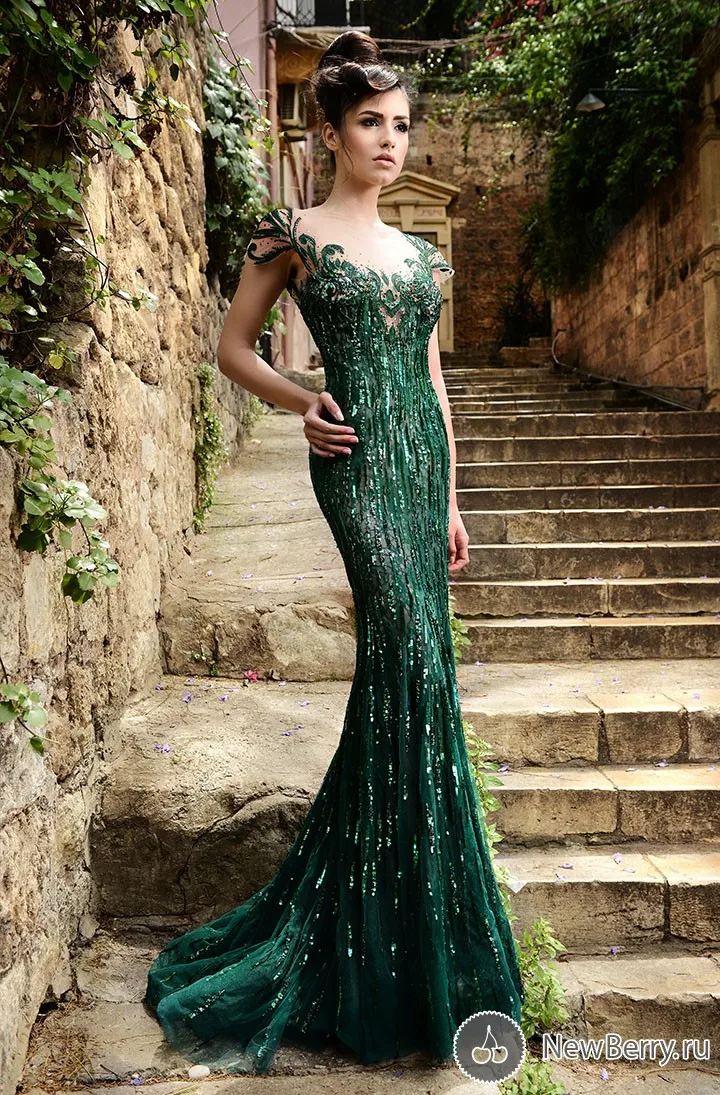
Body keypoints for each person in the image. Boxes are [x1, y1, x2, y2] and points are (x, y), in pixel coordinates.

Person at [143, 28, 525, 1075]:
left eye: (401, 125)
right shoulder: (292, 233)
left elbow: (434, 385)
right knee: (405, 655)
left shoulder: (421, 256)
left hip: (419, 472)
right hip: (352, 466)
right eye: (371, 123)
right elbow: (231, 348)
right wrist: (302, 400)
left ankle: (401, 922)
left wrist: (452, 502)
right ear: (331, 133)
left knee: (419, 675)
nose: (391, 140)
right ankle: (380, 931)